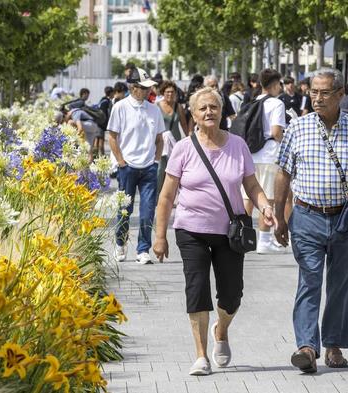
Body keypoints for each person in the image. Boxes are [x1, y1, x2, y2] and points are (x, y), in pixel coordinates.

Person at [153, 86, 276, 376]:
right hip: (190, 229)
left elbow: (252, 186)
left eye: (214, 107)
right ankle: (200, 356)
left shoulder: (238, 145)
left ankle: (221, 330)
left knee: (232, 294)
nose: (209, 112)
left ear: (222, 112)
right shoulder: (183, 149)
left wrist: (265, 206)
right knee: (197, 291)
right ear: (193, 115)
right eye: (203, 108)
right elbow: (167, 196)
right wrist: (159, 236)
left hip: (229, 231)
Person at [274, 68, 348, 374]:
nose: (317, 98)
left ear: (340, 95)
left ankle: (333, 345)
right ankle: (307, 347)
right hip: (307, 216)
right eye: (313, 92)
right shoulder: (298, 128)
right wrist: (281, 216)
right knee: (309, 281)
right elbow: (283, 172)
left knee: (341, 286)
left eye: (324, 93)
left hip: (346, 221)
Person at [108, 67, 165, 265]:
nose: (149, 91)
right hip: (128, 167)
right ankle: (120, 244)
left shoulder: (154, 109)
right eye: (144, 87)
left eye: (149, 88)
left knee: (148, 210)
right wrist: (121, 162)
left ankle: (143, 249)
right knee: (125, 210)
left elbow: (160, 139)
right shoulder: (120, 107)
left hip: (149, 167)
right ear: (133, 88)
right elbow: (112, 137)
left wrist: (156, 161)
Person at [243, 68, 287, 254]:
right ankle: (264, 240)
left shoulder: (252, 102)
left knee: (248, 198)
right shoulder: (277, 104)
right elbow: (277, 132)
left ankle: (241, 235)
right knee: (267, 198)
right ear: (275, 84)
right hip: (269, 155)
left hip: (250, 155)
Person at [157, 80, 189, 193]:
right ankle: (157, 196)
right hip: (160, 143)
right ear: (162, 93)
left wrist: (188, 138)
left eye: (172, 92)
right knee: (160, 169)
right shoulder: (157, 106)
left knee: (175, 170)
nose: (170, 94)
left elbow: (184, 124)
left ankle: (172, 195)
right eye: (167, 92)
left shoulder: (178, 107)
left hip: (175, 143)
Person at [95, 86, 113, 157]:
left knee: (97, 139)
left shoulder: (102, 100)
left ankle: (95, 156)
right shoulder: (107, 102)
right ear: (111, 93)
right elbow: (106, 113)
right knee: (101, 140)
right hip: (101, 124)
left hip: (97, 122)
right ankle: (102, 156)